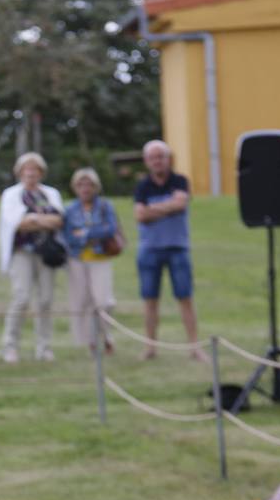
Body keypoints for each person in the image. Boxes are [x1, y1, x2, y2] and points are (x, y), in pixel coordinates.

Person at [133, 140, 204, 361]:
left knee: (185, 298)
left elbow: (180, 204)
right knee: (150, 300)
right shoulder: (143, 186)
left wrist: (153, 208)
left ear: (168, 159)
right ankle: (151, 347)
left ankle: (194, 347)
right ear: (147, 162)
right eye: (153, 158)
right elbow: (140, 215)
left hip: (177, 248)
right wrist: (167, 207)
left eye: (160, 157)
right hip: (150, 250)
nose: (157, 161)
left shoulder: (179, 181)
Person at [0, 152, 65, 363]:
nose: (31, 173)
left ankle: (44, 347)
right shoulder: (11, 194)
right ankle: (10, 346)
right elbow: (18, 223)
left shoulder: (51, 193)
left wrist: (33, 218)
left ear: (41, 172)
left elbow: (59, 220)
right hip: (22, 252)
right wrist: (43, 219)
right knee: (21, 298)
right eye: (27, 170)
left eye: (34, 170)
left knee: (45, 300)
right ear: (20, 173)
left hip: (47, 252)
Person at [62, 167, 120, 355]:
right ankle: (91, 343)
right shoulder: (70, 209)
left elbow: (110, 229)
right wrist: (91, 235)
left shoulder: (104, 206)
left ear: (95, 187)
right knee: (83, 302)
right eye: (80, 184)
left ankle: (107, 337)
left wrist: (85, 233)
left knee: (103, 302)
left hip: (100, 258)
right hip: (77, 259)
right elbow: (68, 236)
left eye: (89, 184)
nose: (85, 188)